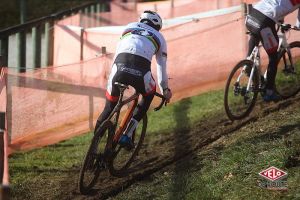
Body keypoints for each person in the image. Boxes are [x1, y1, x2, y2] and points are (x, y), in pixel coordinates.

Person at [95, 10, 172, 149]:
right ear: (158, 26)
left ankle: (93, 147)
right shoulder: (159, 37)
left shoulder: (129, 27)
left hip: (118, 68)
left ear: (141, 20)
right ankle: (127, 135)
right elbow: (161, 68)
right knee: (148, 95)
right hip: (141, 72)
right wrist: (165, 89)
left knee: (108, 108)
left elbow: (119, 50)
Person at [245, 0, 300, 102]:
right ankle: (269, 92)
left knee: (255, 35)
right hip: (264, 20)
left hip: (252, 15)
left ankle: (247, 63)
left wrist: (279, 21)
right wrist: (296, 27)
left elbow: (277, 5)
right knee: (273, 57)